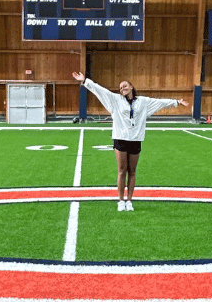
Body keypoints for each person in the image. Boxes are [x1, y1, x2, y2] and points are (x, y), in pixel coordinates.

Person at [72, 71, 189, 211]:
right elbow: (99, 90)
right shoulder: (115, 100)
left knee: (132, 171)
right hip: (120, 139)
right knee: (122, 171)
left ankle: (129, 200)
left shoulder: (143, 102)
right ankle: (121, 200)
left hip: (135, 140)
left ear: (131, 87)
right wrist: (85, 81)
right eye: (120, 88)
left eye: (125, 86)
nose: (122, 89)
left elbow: (159, 102)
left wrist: (176, 102)